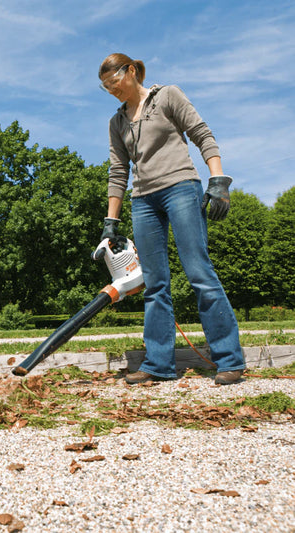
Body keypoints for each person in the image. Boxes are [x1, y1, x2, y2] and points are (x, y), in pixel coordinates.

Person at [97, 53, 245, 385]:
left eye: (114, 82)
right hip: (143, 201)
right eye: (105, 88)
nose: (112, 90)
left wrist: (218, 180)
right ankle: (158, 364)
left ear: (131, 71)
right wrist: (111, 222)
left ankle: (229, 360)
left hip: (180, 187)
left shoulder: (167, 96)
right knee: (154, 283)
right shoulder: (117, 122)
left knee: (199, 272)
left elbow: (202, 134)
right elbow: (118, 172)